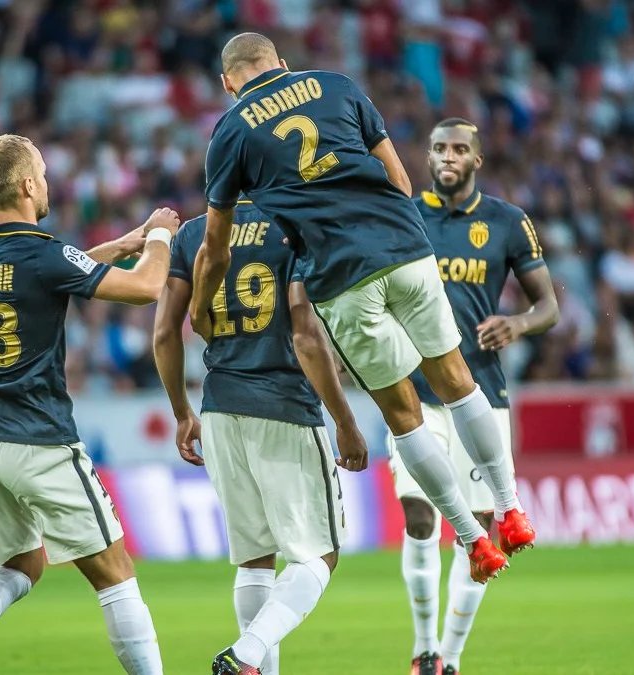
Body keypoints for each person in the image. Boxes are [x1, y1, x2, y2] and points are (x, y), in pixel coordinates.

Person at [191, 32, 532, 604]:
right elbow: (397, 174)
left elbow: (217, 246)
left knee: (404, 416)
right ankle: (512, 508)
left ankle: (475, 539)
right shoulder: (336, 84)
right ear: (282, 63)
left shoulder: (229, 132)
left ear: (229, 83)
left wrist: (201, 304)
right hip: (404, 247)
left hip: (338, 274)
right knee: (456, 380)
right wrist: (413, 240)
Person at [0, 134, 180, 675]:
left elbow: (56, 276)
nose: (47, 183)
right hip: (41, 442)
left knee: (22, 563)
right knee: (115, 573)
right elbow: (144, 288)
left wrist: (126, 241)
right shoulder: (43, 255)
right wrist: (160, 238)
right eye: (43, 175)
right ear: (27, 185)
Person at [154, 199, 367, 675]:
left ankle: (250, 663)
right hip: (285, 406)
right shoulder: (296, 226)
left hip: (220, 409)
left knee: (254, 560)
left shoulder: (193, 235)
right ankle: (246, 654)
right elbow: (306, 337)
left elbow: (167, 335)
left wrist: (181, 412)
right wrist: (346, 423)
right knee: (320, 555)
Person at [392, 119, 559, 675]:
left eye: (459, 149)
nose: (447, 156)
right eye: (438, 147)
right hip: (415, 390)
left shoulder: (508, 222)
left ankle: (453, 658)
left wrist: (517, 325)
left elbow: (548, 307)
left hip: (481, 393)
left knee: (485, 529)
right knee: (419, 516)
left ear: (476, 160)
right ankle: (424, 650)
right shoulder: (406, 213)